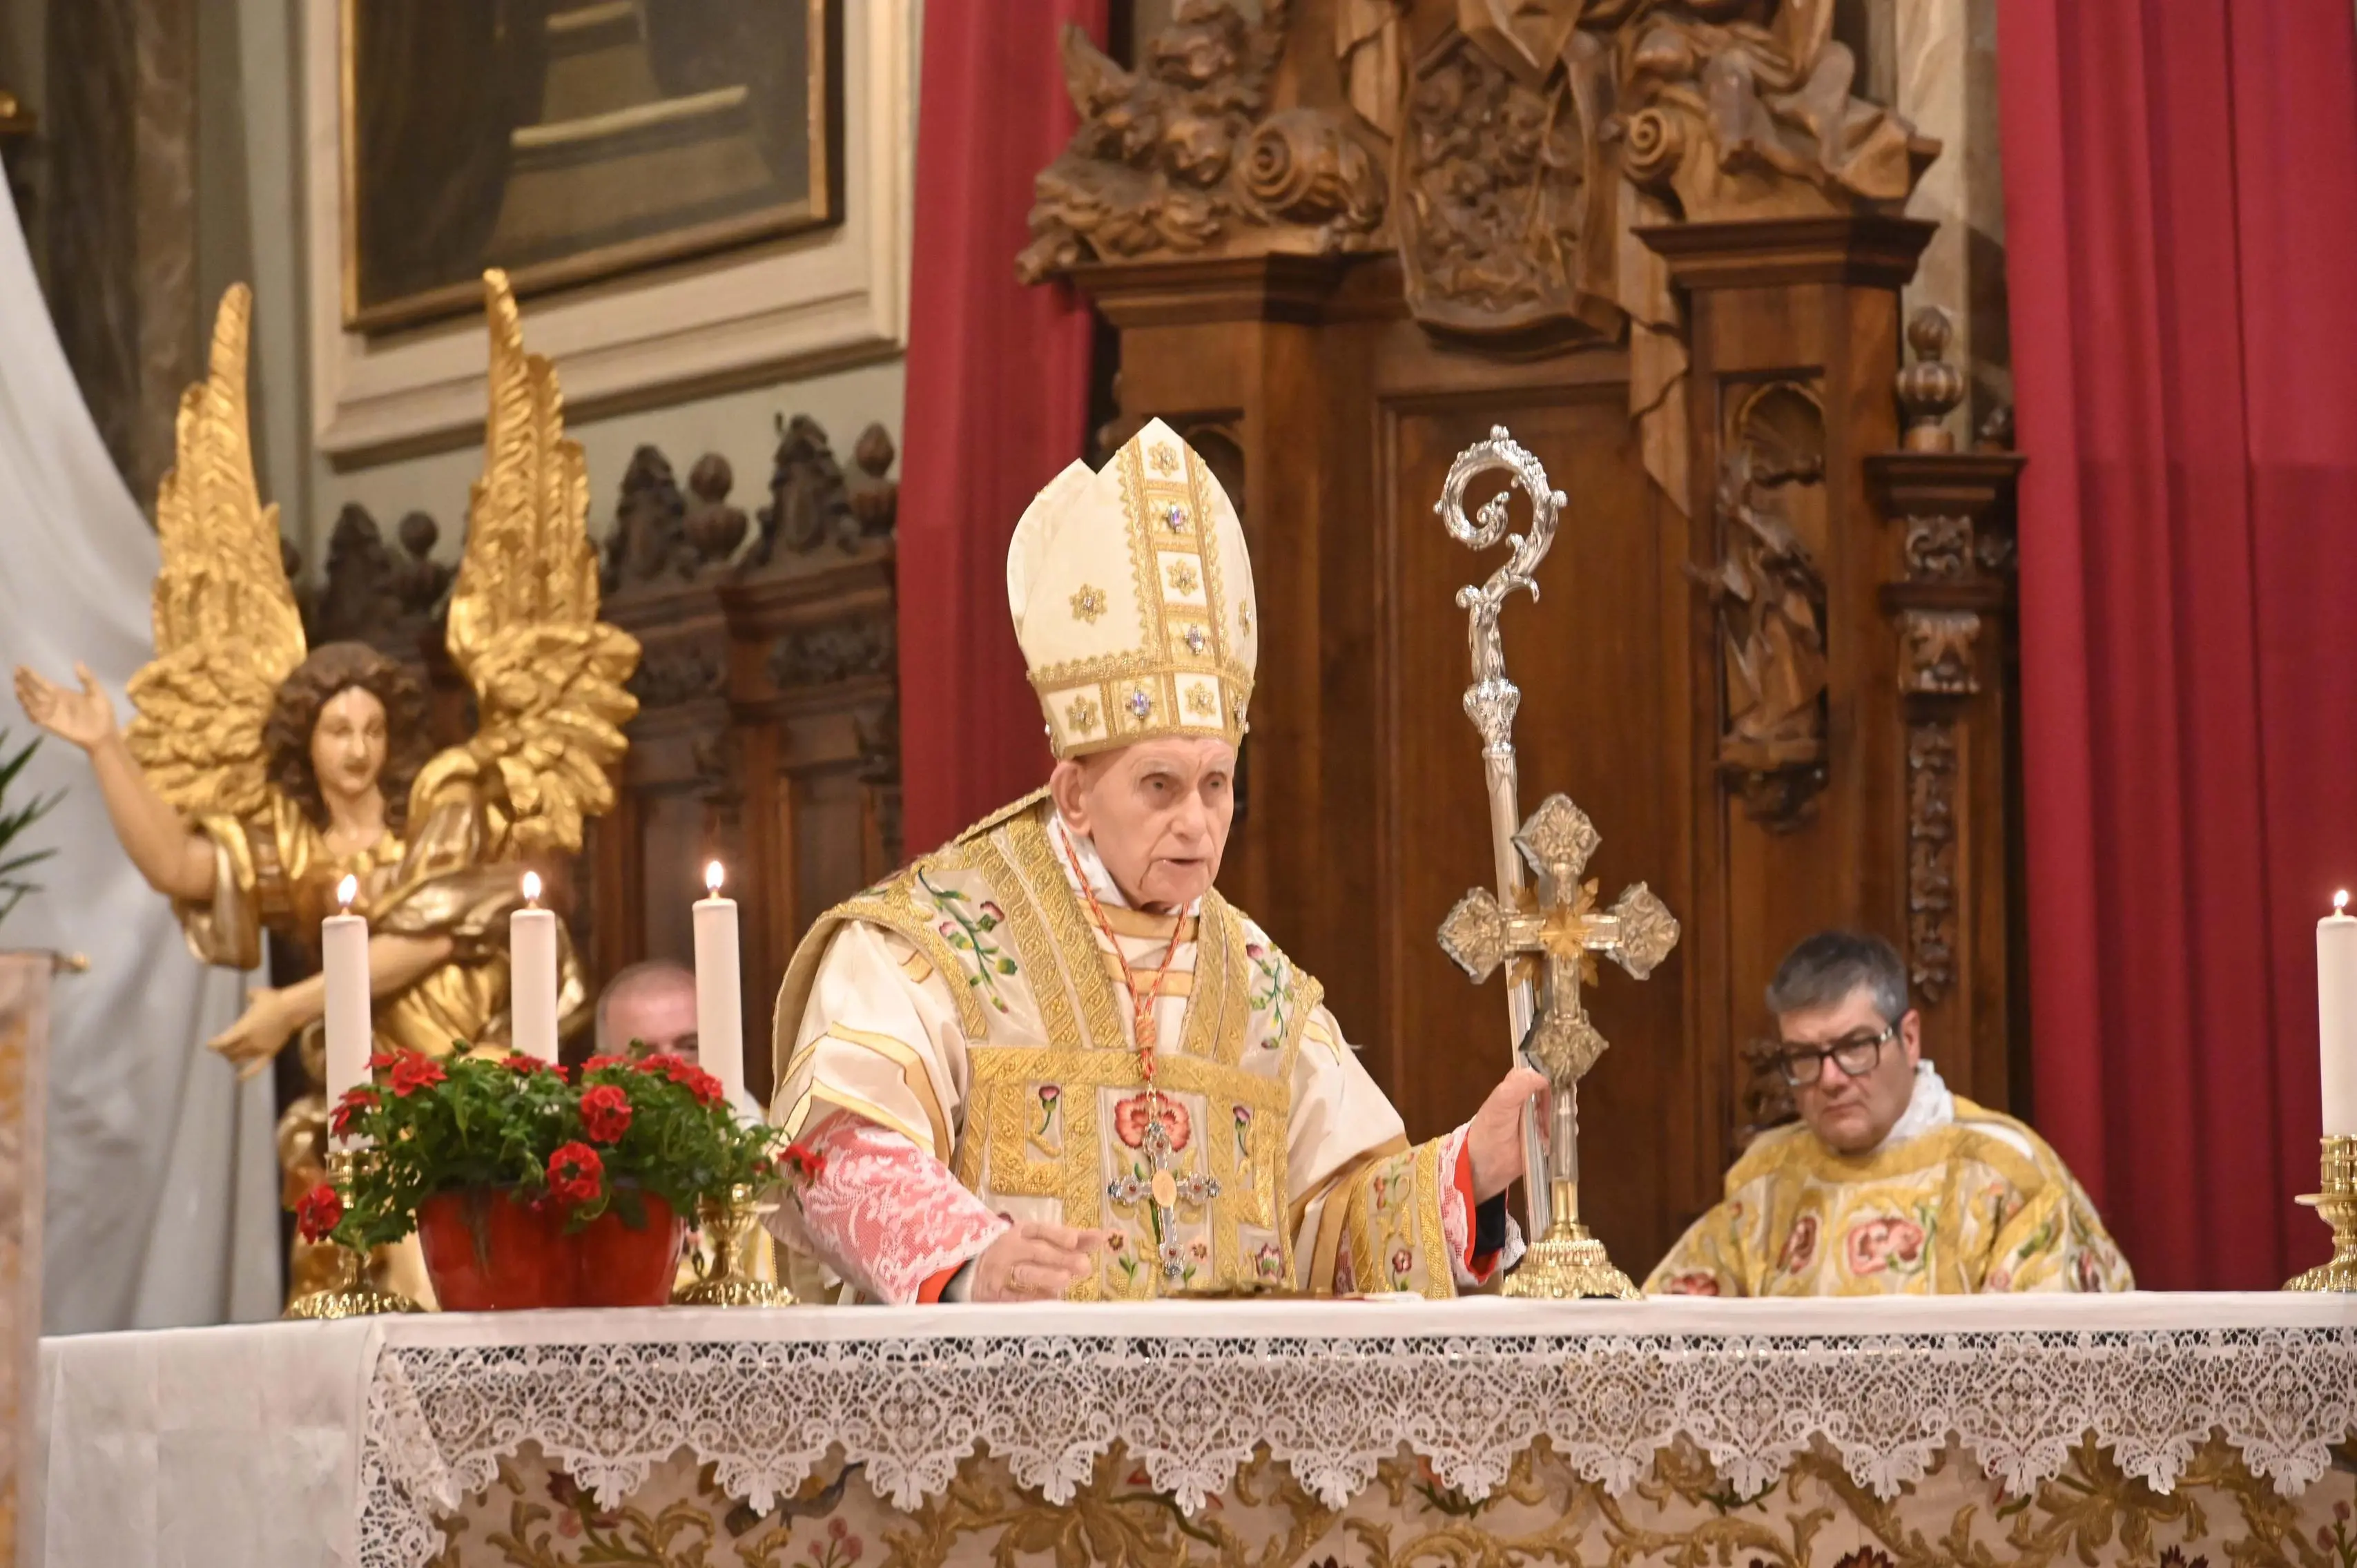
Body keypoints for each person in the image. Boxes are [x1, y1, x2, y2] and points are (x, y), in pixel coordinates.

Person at [766, 420, 1546, 1304]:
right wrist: (973, 1262)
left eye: (1217, 784)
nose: (1196, 823)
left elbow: (1332, 1228)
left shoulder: (1258, 989)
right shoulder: (932, 945)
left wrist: (1468, 1174)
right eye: (1160, 786)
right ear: (1073, 794)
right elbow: (834, 1143)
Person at [1646, 930, 2133, 1295]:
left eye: (1855, 1045)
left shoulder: (2007, 1175)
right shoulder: (1763, 1184)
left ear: (1910, 1037)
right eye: (1804, 1055)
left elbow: (2054, 1375)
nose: (1831, 1078)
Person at [593, 958, 763, 1121]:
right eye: (644, 1055)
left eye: (690, 1047)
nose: (672, 1071)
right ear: (604, 1069)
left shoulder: (779, 1145)